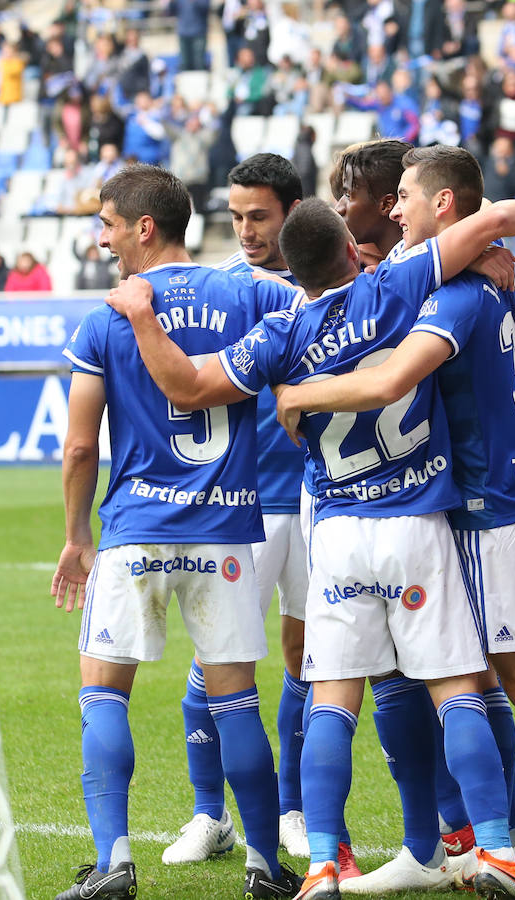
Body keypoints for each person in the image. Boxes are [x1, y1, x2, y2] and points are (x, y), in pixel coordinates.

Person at [106, 181, 515, 900]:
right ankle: (499, 850)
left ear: (296, 270)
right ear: (353, 250)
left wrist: (142, 317)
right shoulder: (394, 285)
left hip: (339, 531)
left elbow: (191, 387)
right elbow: (498, 218)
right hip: (416, 522)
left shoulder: (279, 334)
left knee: (331, 698)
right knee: (454, 690)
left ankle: (323, 862)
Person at [275, 145, 515, 900]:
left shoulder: (454, 294)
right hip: (513, 491)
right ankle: (494, 844)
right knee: (486, 681)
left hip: (488, 508)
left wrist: (301, 395)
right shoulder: (472, 272)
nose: (392, 208)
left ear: (443, 207)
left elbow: (395, 378)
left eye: (404, 195)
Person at [51, 163, 304, 900]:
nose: (100, 239)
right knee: (235, 703)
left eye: (106, 224)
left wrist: (75, 537)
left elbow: (77, 447)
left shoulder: (106, 317)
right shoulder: (251, 292)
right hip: (225, 531)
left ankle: (113, 864)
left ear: (143, 227)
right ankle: (264, 864)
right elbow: (325, 306)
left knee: (104, 694)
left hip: (136, 528)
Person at [161, 153, 317, 868]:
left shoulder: (328, 284)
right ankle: (208, 813)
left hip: (320, 497)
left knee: (305, 657)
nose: (246, 230)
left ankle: (288, 808)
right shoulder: (220, 287)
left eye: (260, 216)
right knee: (215, 660)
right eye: (236, 217)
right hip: (241, 502)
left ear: (291, 212)